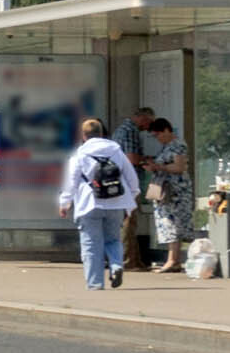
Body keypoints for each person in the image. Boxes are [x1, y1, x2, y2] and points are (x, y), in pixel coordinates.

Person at [58, 115, 141, 291]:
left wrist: (64, 204)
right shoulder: (117, 151)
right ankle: (117, 265)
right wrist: (129, 202)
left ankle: (95, 283)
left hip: (89, 204)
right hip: (116, 202)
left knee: (91, 244)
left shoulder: (80, 155)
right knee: (113, 239)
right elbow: (132, 179)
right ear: (102, 133)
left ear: (83, 136)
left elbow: (70, 183)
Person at [143, 117, 192, 272]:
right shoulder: (167, 146)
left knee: (173, 224)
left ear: (166, 130)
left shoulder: (178, 145)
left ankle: (173, 260)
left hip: (175, 191)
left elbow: (179, 167)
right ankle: (173, 260)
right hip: (166, 191)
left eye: (158, 135)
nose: (157, 138)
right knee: (168, 223)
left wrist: (158, 167)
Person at [112, 105, 155, 270]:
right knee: (129, 222)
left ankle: (135, 260)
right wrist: (147, 160)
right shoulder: (130, 131)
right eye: (148, 122)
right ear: (142, 118)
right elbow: (131, 158)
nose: (148, 127)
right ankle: (128, 261)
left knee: (129, 221)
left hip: (120, 182)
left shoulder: (122, 130)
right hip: (128, 183)